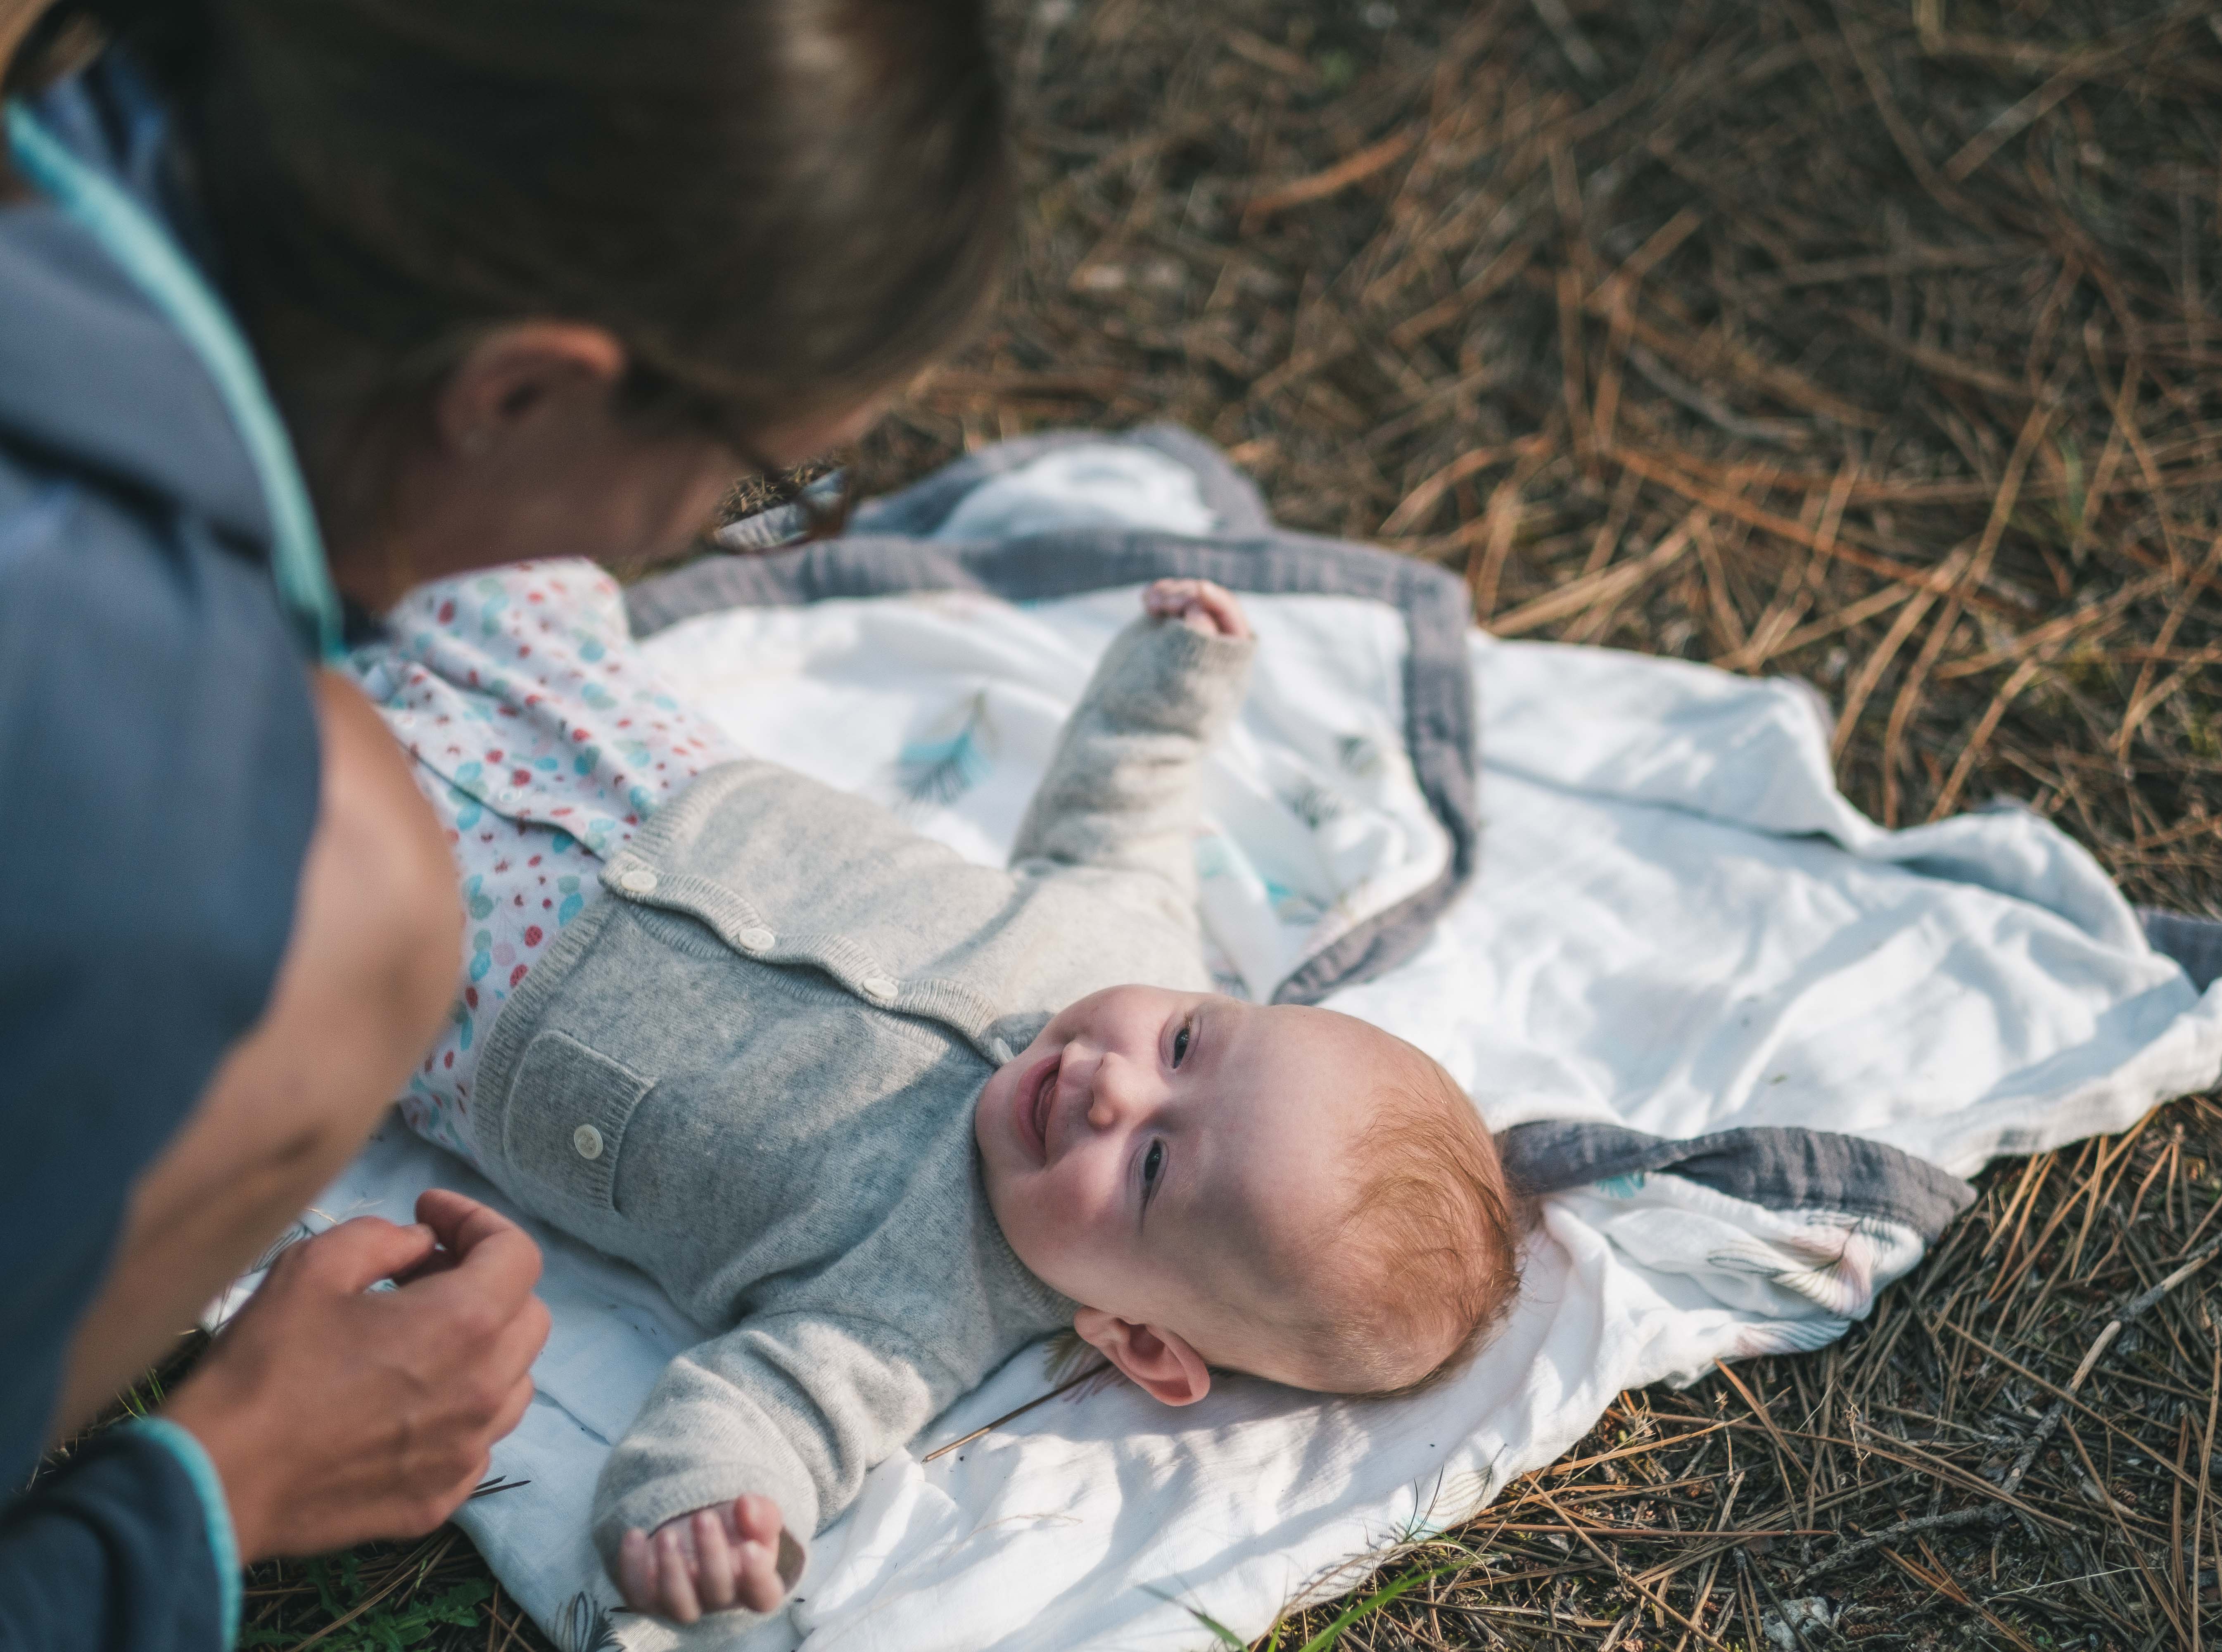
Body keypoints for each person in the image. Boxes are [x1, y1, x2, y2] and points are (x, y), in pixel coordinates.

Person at [0, 0, 1010, 1643]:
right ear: (521, 391)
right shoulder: (212, 846)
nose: (705, 529)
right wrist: (211, 1488)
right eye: (760, 473)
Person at [364, 568, 1529, 1624]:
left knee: (268, 863)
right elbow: (1120, 807)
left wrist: (706, 1510)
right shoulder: (1134, 933)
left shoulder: (920, 1310)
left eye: (1155, 1170)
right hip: (645, 770)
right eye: (1185, 1038)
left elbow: (769, 1412)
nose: (1115, 1087)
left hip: (469, 982)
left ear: (1140, 1343)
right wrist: (1174, 681)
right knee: (487, 571)